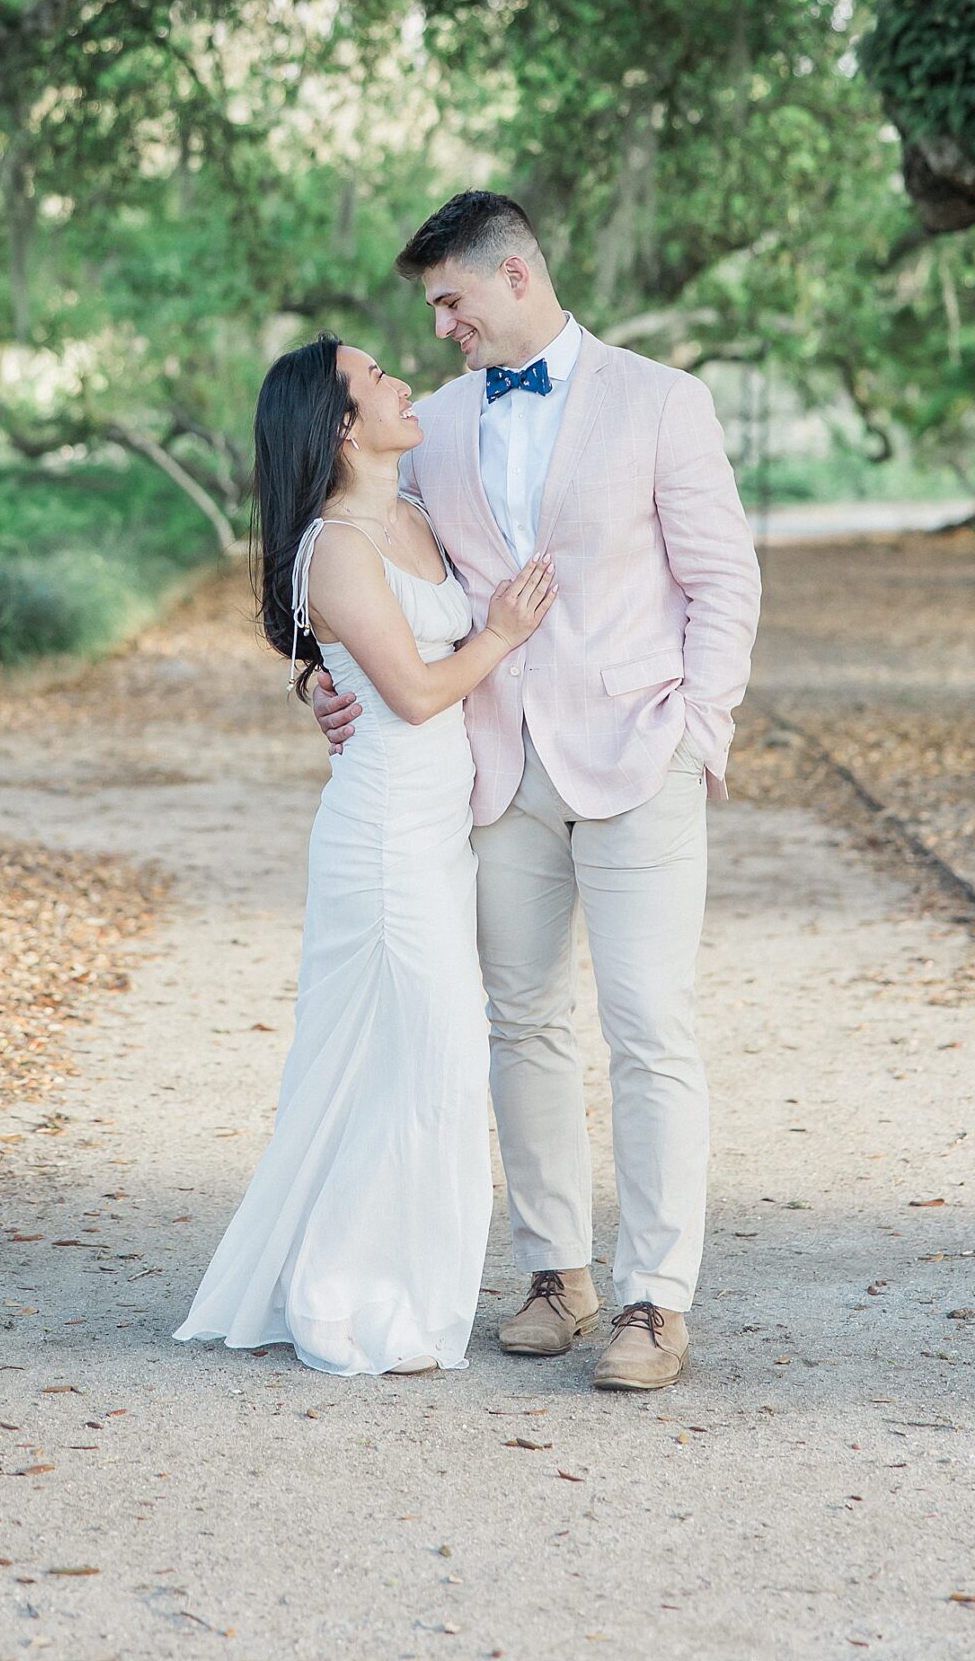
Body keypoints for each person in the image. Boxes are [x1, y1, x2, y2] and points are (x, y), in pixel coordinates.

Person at [312, 192, 761, 1392]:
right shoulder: (438, 427)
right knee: (522, 1023)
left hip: (637, 752)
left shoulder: (663, 400)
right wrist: (322, 674)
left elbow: (724, 578)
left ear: (514, 275)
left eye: (451, 301)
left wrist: (698, 729)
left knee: (651, 1023)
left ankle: (655, 1302)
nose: (442, 327)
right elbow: (357, 562)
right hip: (496, 767)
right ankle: (556, 1273)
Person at [175, 333, 556, 1378]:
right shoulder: (338, 546)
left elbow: (354, 664)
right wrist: (506, 631)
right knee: (430, 1061)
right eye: (378, 376)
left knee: (392, 1065)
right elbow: (421, 691)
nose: (401, 380)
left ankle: (371, 1275)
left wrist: (315, 685)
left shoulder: (415, 509)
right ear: (342, 426)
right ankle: (350, 1291)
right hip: (385, 839)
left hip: (440, 835)